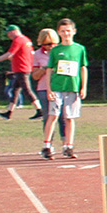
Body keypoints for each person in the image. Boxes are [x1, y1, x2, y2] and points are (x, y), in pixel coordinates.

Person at [41, 19, 88, 159]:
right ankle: (47, 145)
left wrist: (83, 87)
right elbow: (49, 69)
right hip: (57, 87)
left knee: (70, 117)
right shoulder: (56, 50)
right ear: (59, 33)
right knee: (53, 115)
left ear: (73, 31)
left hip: (72, 87)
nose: (66, 34)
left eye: (68, 31)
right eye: (62, 31)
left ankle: (68, 146)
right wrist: (49, 89)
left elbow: (83, 68)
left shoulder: (80, 49)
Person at [0, 24, 44, 120]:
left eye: (9, 33)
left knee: (27, 90)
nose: (8, 36)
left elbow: (10, 54)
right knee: (15, 91)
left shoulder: (18, 40)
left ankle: (40, 110)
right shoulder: (26, 40)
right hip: (22, 68)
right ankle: (9, 112)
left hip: (21, 69)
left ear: (13, 31)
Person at [32, 28, 66, 149]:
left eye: (53, 44)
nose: (50, 47)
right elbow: (35, 76)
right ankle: (48, 144)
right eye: (46, 44)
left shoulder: (61, 51)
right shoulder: (37, 54)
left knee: (63, 116)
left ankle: (66, 143)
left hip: (61, 87)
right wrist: (44, 69)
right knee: (48, 117)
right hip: (44, 88)